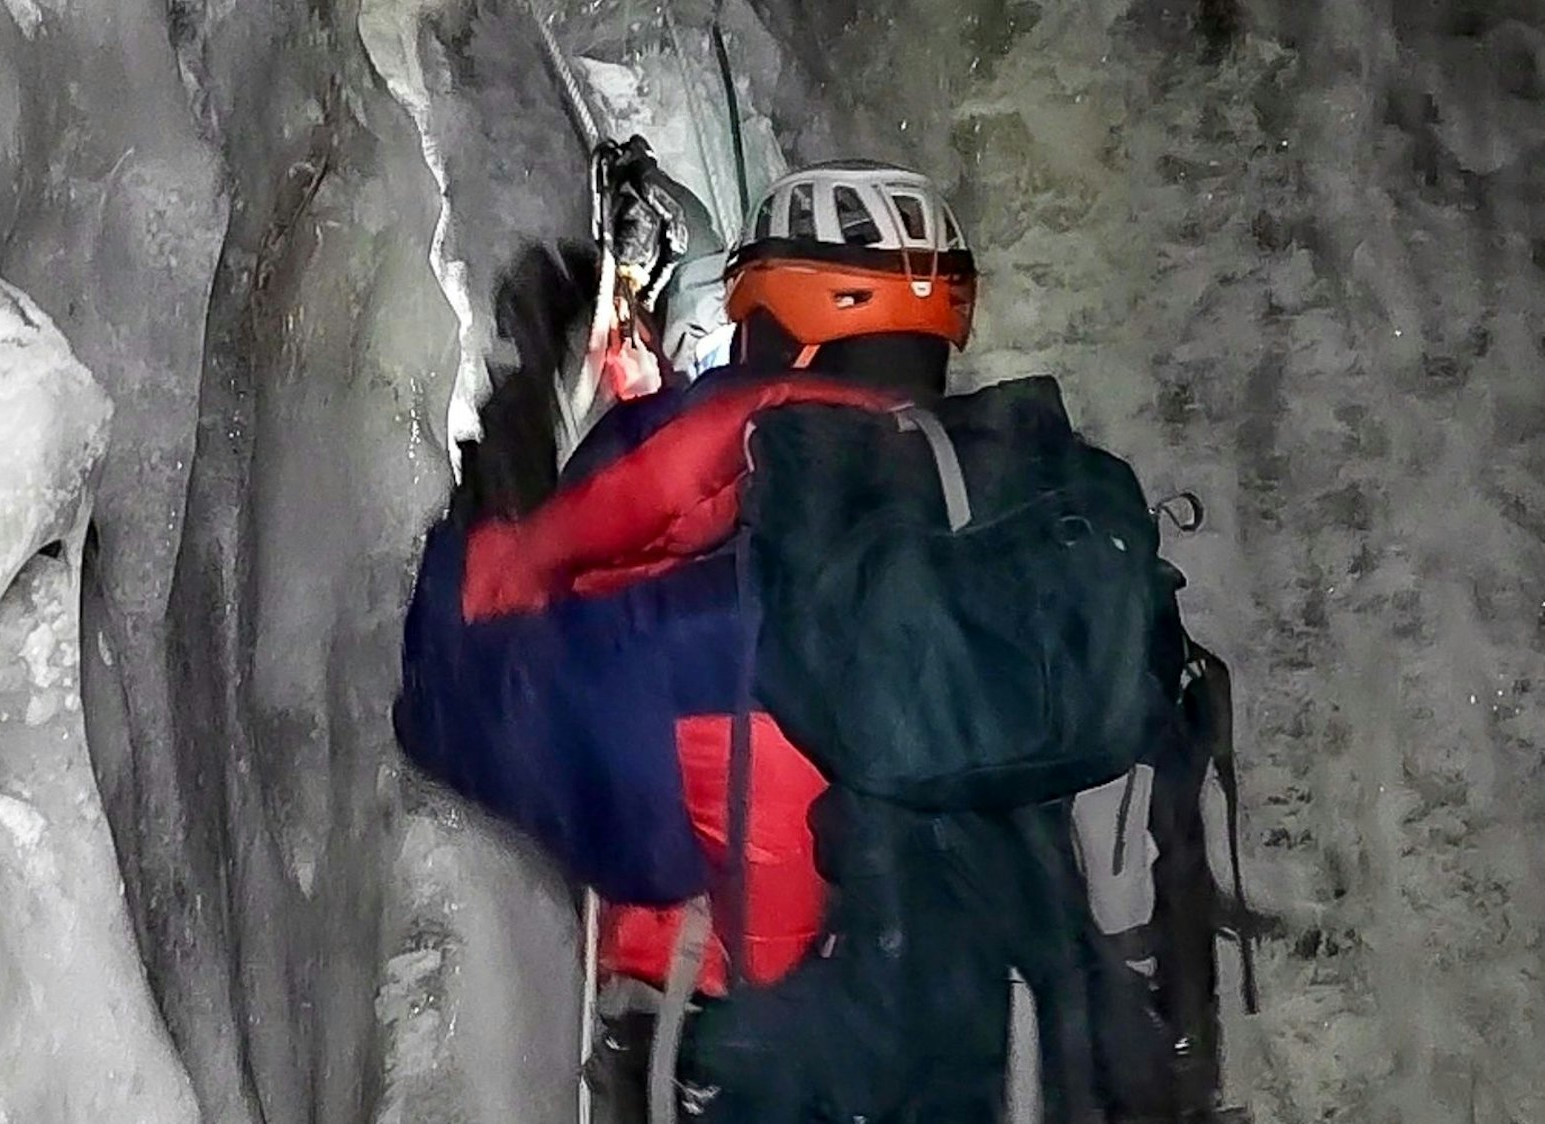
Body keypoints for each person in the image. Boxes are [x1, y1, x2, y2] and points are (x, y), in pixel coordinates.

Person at [398, 153, 1249, 1124]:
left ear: (775, 319)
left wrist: (510, 461)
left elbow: (450, 697)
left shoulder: (740, 634)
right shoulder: (1071, 578)